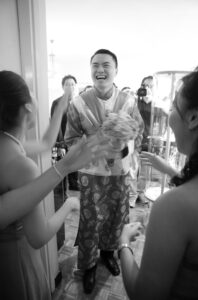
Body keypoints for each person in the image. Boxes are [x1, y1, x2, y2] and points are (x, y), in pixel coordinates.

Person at [0, 70, 111, 300]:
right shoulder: (23, 166)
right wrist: (70, 204)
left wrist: (61, 106)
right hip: (16, 260)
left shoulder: (8, 144)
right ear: (28, 106)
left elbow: (45, 143)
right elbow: (38, 236)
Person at [64, 49, 144, 294]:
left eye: (106, 65)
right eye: (95, 65)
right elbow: (70, 139)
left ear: (116, 70)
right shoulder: (77, 103)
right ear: (90, 70)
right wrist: (93, 145)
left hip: (119, 172)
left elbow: (139, 133)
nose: (100, 70)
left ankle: (109, 254)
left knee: (116, 217)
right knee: (90, 221)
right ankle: (88, 266)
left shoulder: (129, 102)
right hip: (91, 174)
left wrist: (124, 143)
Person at [119, 70, 198, 299]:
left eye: (174, 106)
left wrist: (123, 242)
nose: (169, 113)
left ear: (194, 118)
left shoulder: (173, 206)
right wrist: (171, 171)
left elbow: (144, 294)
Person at [51, 74, 79, 192]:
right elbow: (55, 123)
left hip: (75, 140)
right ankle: (61, 189)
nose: (70, 87)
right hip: (62, 140)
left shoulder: (79, 102)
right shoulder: (57, 102)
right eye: (67, 84)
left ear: (75, 86)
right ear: (63, 87)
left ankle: (74, 184)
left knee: (74, 163)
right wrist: (60, 143)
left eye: (72, 84)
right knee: (62, 163)